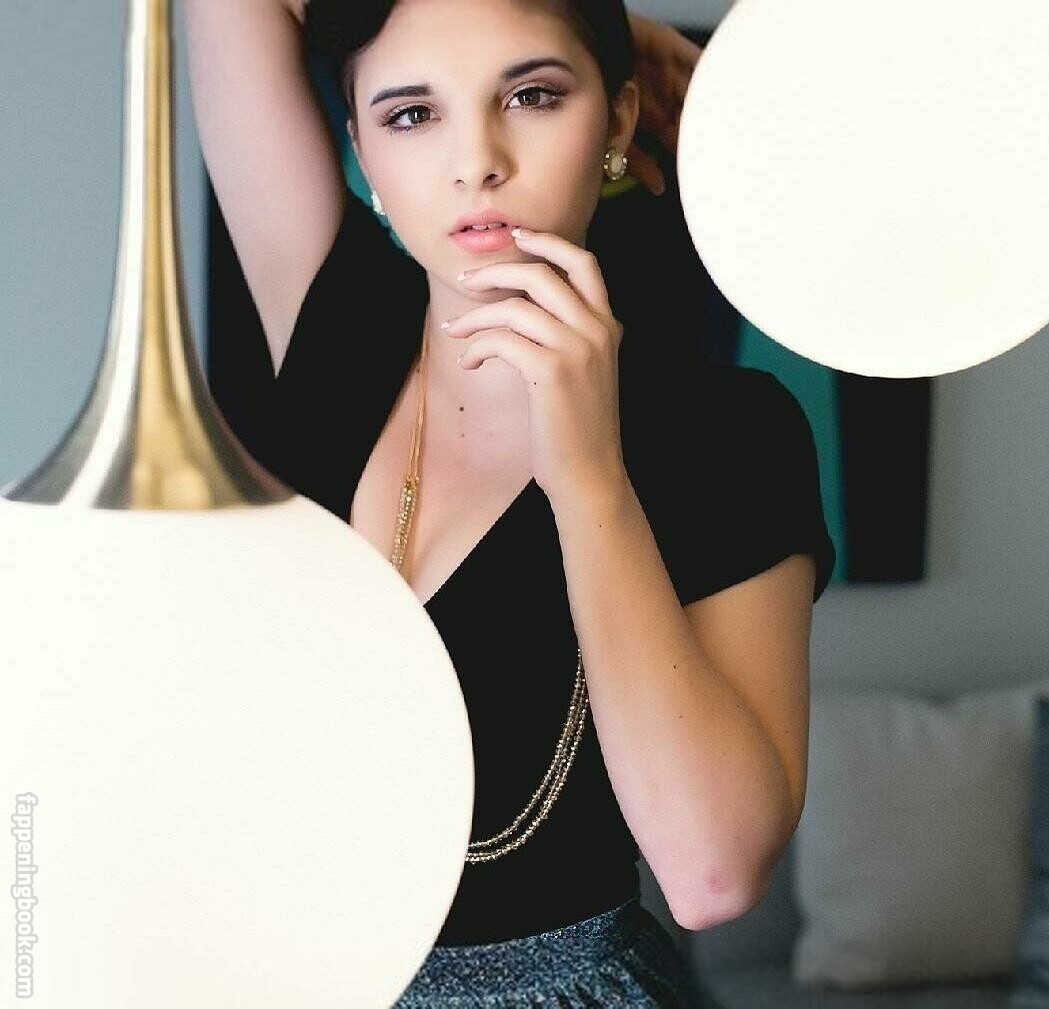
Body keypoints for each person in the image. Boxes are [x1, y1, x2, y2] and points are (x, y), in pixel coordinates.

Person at [181, 1, 836, 1005]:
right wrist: (610, 27)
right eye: (413, 114)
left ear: (618, 122)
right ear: (360, 145)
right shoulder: (334, 316)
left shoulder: (727, 434)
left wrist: (589, 478)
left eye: (531, 96)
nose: (475, 161)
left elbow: (712, 875)